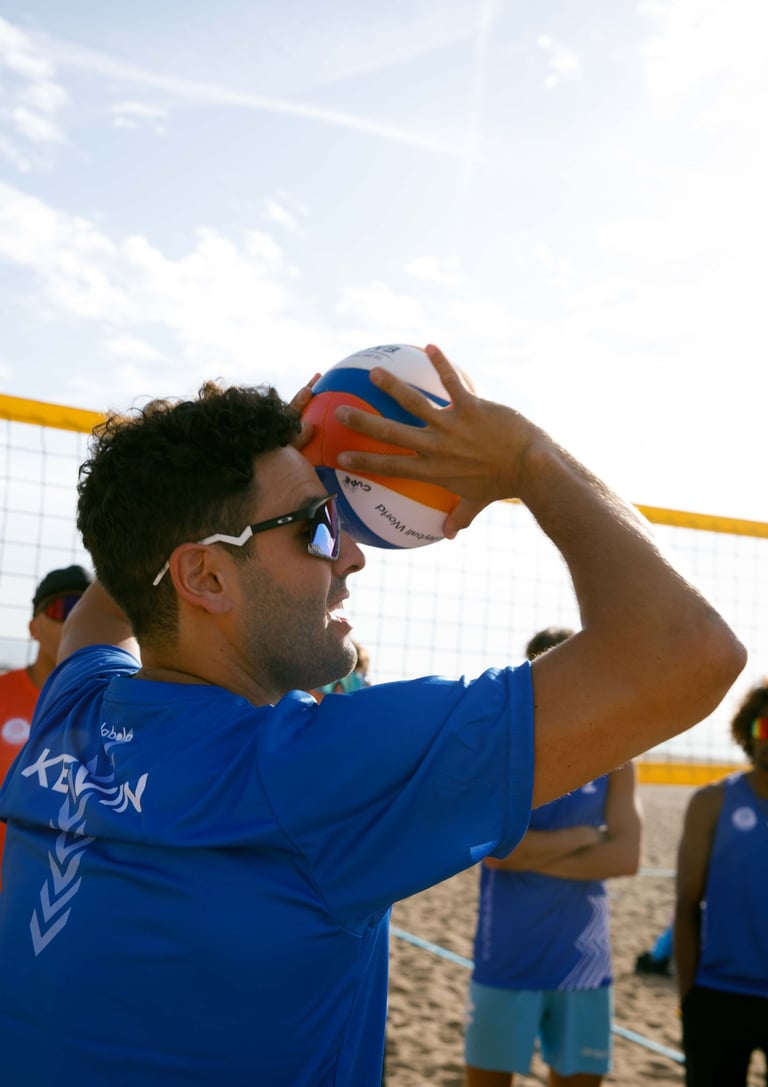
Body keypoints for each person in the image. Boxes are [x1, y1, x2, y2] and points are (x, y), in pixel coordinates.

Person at [0, 345, 744, 1087]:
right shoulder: (311, 771)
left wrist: (205, 491)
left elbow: (114, 599)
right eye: (317, 525)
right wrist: (526, 457)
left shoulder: (76, 707)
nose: (351, 555)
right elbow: (692, 652)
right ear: (206, 575)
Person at [464, 627, 643, 1086]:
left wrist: (529, 855)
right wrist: (583, 837)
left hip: (584, 963)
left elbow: (625, 858)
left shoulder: (618, 753)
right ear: (532, 675)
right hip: (507, 958)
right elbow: (497, 855)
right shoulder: (504, 747)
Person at [674, 680, 768, 1086]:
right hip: (717, 994)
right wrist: (689, 998)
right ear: (749, 730)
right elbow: (686, 904)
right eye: (766, 726)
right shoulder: (712, 802)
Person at [0, 564, 91, 887]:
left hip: (73, 892)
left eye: (83, 610)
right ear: (33, 628)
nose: (73, 621)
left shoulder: (116, 707)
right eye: (62, 608)